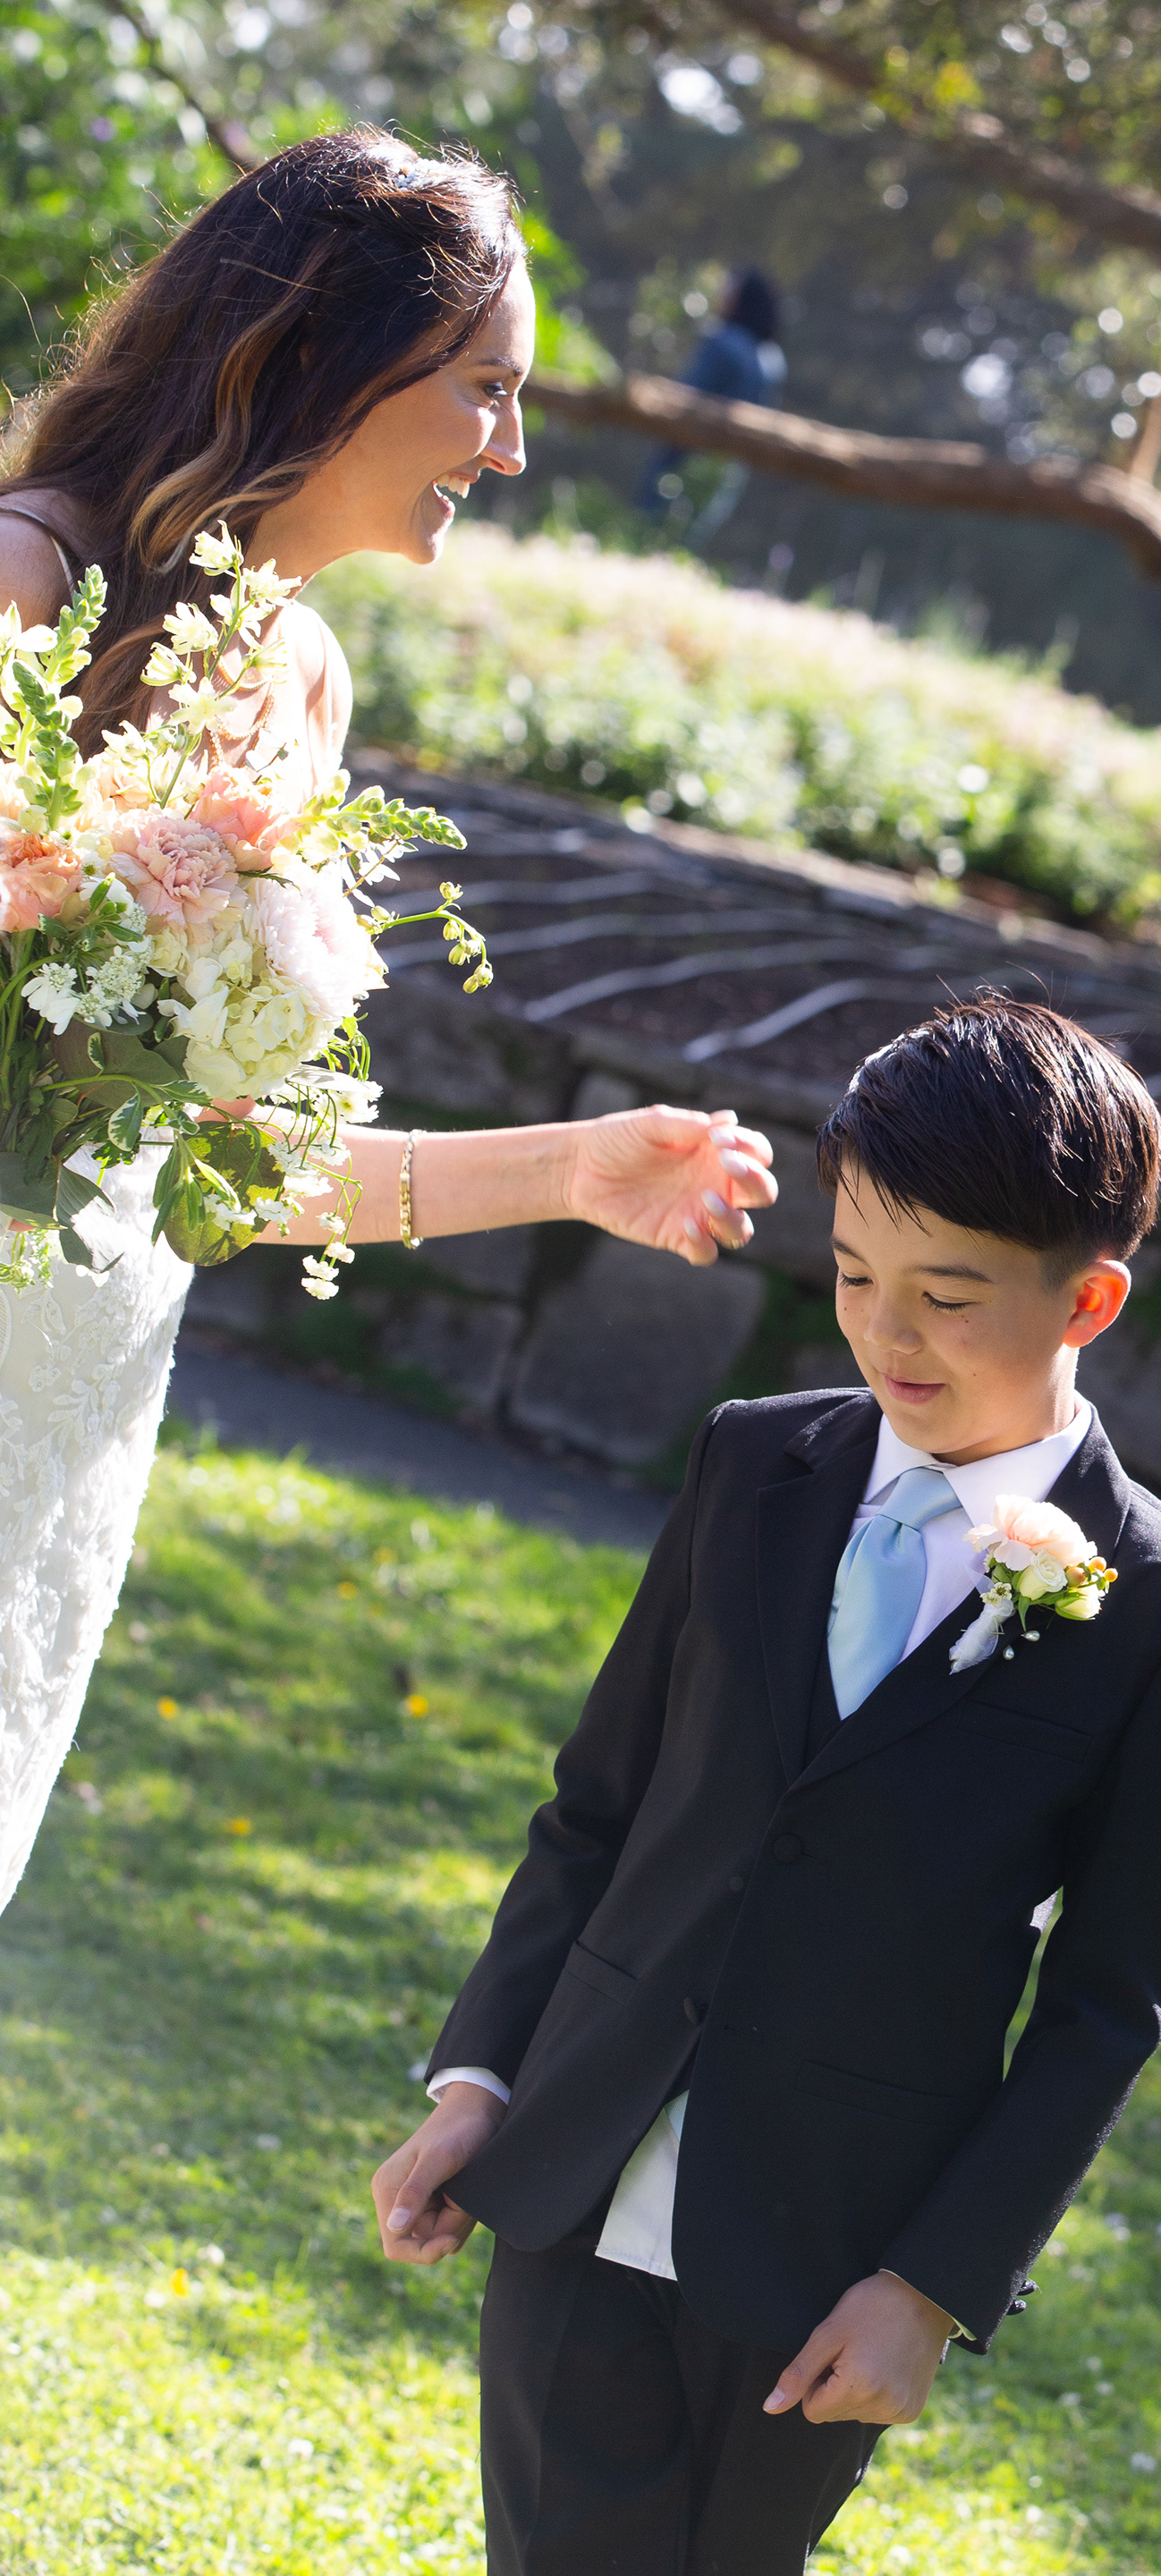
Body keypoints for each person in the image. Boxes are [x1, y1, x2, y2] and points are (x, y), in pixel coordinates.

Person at [371, 996, 1161, 2576]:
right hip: (579, 2167)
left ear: (1090, 1299)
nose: (887, 1335)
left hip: (825, 2260)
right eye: (854, 1277)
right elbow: (597, 1813)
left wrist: (930, 2287)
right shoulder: (748, 1466)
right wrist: (479, 2085)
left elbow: (1104, 2007)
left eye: (947, 1297)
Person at [0, 129, 776, 1918]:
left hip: (65, 1426)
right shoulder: (26, 582)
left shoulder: (306, 682)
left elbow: (228, 1172)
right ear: (315, 360)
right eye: (485, 388)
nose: (512, 449)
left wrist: (575, 1171)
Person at [634, 267, 784, 536]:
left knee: (649, 528)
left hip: (685, 454)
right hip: (728, 469)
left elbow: (686, 398)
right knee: (684, 538)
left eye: (728, 290)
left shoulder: (724, 343)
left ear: (741, 299)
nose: (720, 295)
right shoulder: (772, 361)